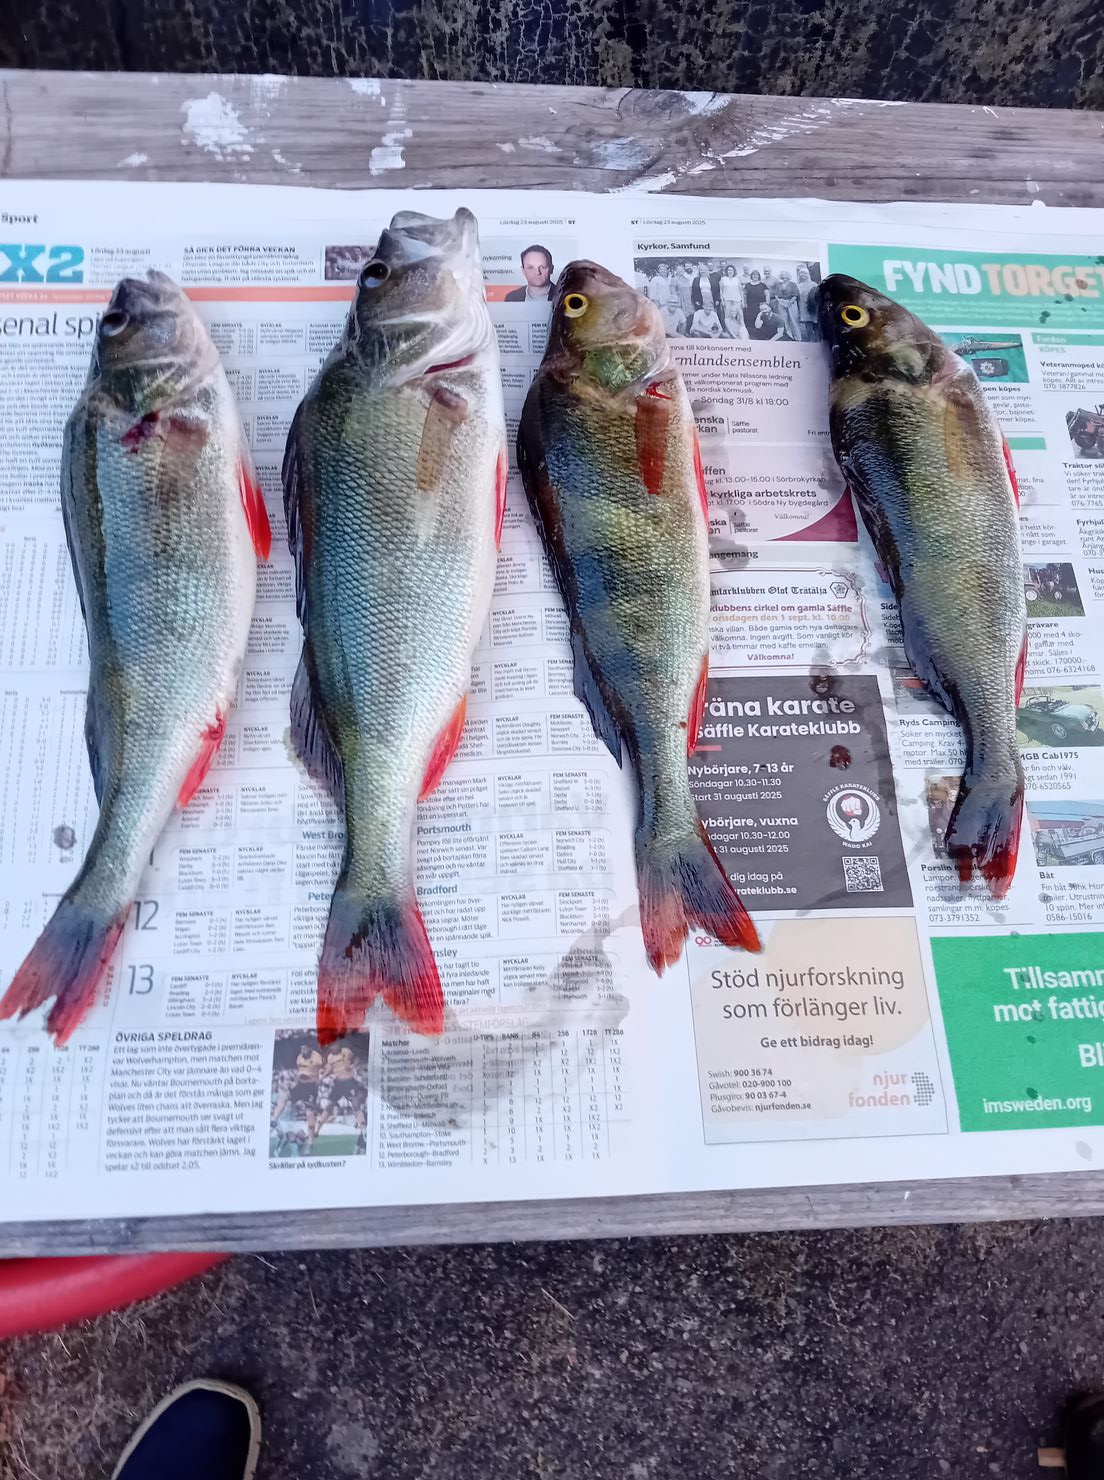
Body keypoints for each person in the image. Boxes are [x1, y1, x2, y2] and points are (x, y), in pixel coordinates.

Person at [269, 1038, 323, 1151]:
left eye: (305, 1048)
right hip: (300, 1086)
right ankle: (274, 1119)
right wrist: (295, 1081)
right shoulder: (299, 1057)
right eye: (301, 1048)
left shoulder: (316, 1057)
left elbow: (324, 1068)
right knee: (284, 1097)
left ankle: (310, 1142)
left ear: (310, 1048)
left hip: (311, 1088)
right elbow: (300, 1072)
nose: (302, 1050)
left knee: (309, 1115)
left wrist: (320, 1078)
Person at [719, 265, 745, 339]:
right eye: (729, 270)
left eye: (732, 270)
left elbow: (741, 291)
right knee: (728, 316)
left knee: (740, 316)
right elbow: (721, 291)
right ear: (726, 271)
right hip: (727, 300)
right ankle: (729, 332)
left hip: (737, 300)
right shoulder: (723, 279)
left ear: (734, 271)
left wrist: (742, 301)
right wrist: (722, 300)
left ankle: (742, 332)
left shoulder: (737, 279)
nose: (730, 271)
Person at [774, 269, 800, 340]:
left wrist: (789, 303)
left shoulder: (793, 284)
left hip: (791, 303)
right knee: (785, 321)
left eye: (785, 275)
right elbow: (776, 294)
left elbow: (795, 294)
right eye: (782, 275)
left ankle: (798, 338)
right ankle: (790, 337)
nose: (783, 276)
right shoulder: (779, 284)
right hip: (781, 303)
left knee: (794, 321)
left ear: (788, 276)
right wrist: (780, 301)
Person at [796, 263, 819, 340]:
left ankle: (817, 339)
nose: (803, 275)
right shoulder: (798, 285)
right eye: (801, 273)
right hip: (802, 307)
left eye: (805, 273)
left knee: (815, 324)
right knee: (807, 325)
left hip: (811, 307)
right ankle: (810, 340)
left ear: (808, 274)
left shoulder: (813, 284)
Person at [742, 269, 768, 336]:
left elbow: (767, 295)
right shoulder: (747, 285)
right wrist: (744, 303)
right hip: (750, 306)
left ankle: (762, 334)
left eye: (756, 275)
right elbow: (744, 295)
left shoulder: (762, 285)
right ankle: (752, 335)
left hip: (760, 306)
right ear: (751, 276)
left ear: (759, 276)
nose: (755, 276)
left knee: (760, 319)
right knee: (750, 320)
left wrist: (766, 304)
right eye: (753, 275)